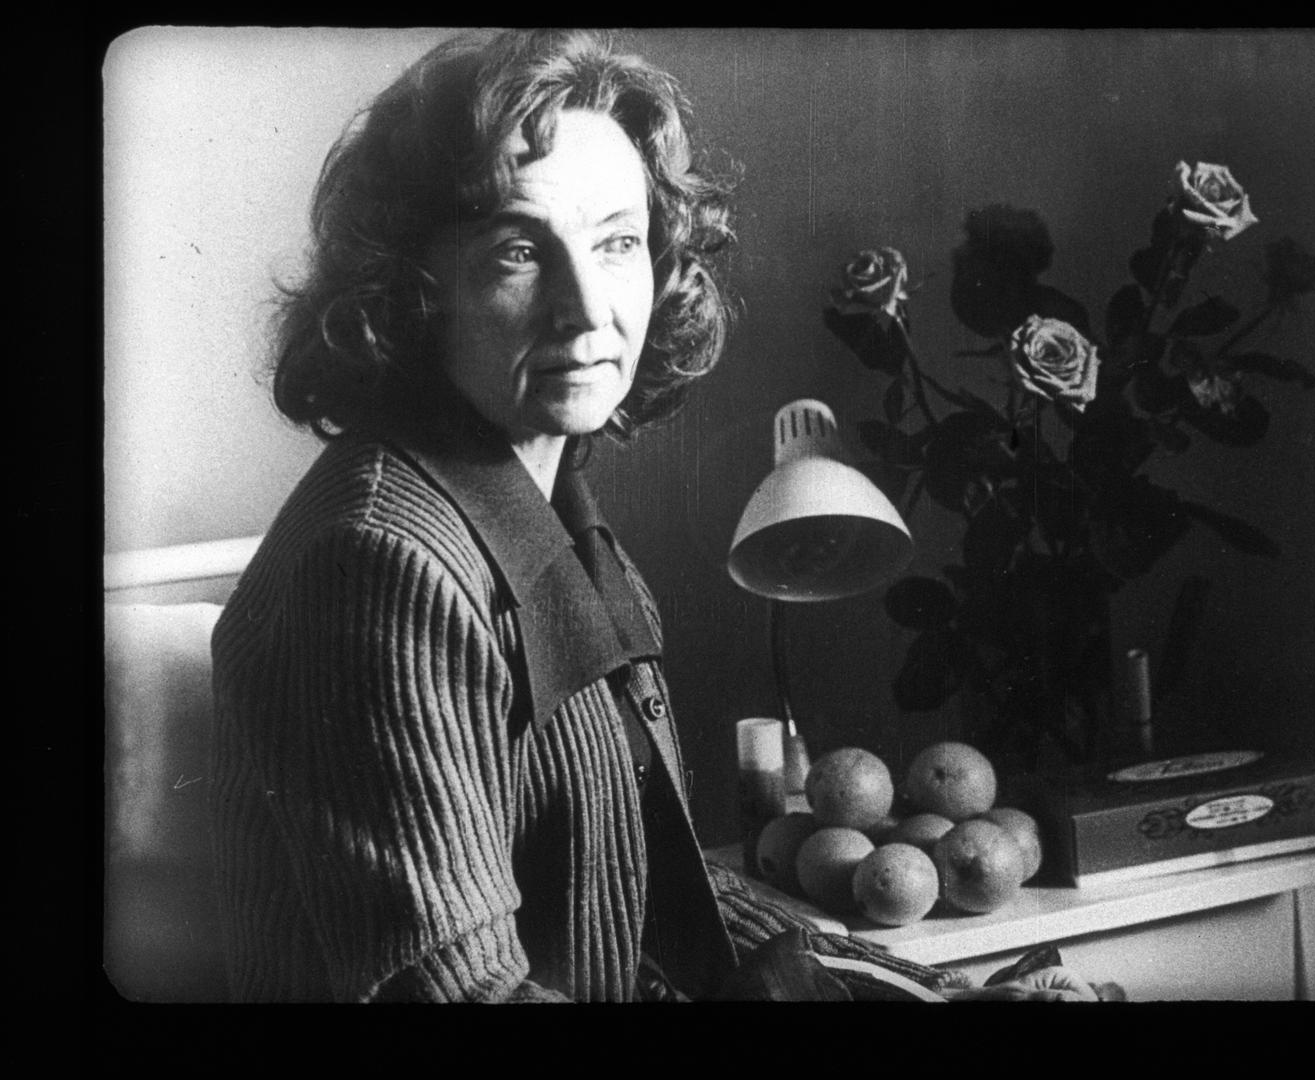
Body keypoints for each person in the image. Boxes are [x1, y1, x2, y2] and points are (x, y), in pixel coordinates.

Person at [211, 27, 1098, 1003]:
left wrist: (945, 1000)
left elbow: (662, 891)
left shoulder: (550, 508)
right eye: (518, 251)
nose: (587, 307)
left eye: (618, 242)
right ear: (412, 293)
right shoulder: (381, 559)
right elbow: (463, 994)